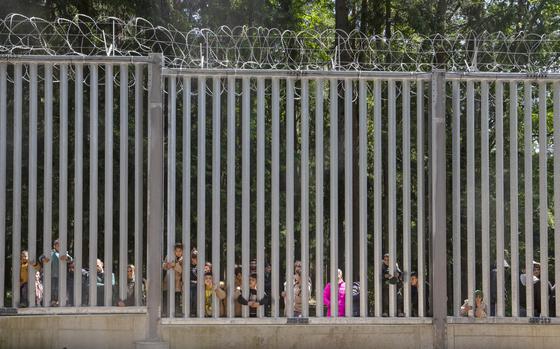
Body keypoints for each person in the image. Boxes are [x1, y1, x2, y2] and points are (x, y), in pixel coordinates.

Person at [162, 243, 184, 316]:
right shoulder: (169, 256)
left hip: (177, 283)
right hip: (168, 281)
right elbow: (164, 266)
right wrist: (167, 265)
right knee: (166, 297)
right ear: (174, 251)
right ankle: (165, 312)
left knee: (176, 298)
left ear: (182, 251)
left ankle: (177, 312)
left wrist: (174, 265)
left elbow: (182, 271)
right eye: (176, 251)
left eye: (180, 251)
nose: (178, 253)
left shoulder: (183, 259)